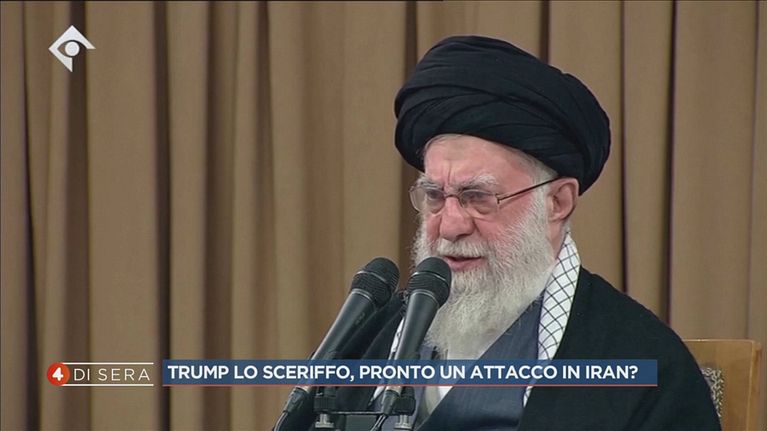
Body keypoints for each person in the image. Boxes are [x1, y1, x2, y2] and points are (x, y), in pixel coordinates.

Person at [371, 35, 720, 430]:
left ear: (558, 202)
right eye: (435, 195)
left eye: (478, 197)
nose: (450, 225)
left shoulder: (646, 364)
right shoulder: (374, 337)